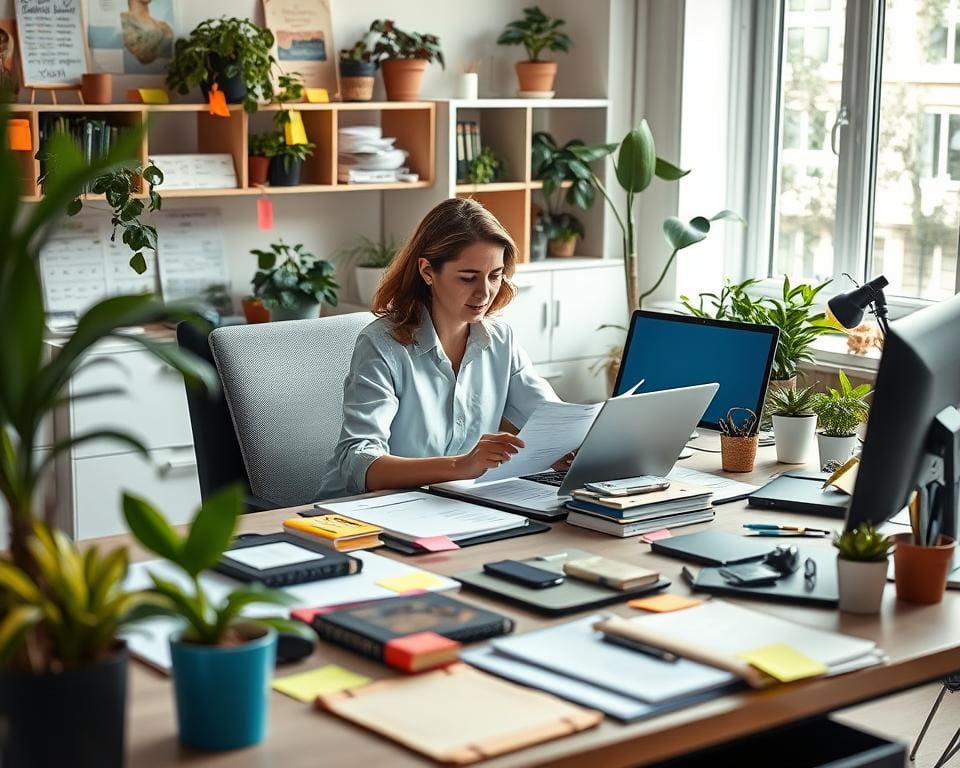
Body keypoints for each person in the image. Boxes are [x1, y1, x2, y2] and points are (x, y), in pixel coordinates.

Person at [317, 198, 571, 499]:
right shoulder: (382, 345)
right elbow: (360, 463)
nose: (485, 292)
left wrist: (570, 447)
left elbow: (557, 421)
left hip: (450, 506)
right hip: (361, 512)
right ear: (427, 271)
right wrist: (462, 465)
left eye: (495, 275)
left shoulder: (501, 341)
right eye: (468, 277)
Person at [121, 0, 173, 66]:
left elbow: (171, 53)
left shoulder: (163, 25)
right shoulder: (124, 21)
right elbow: (143, 55)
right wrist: (162, 34)